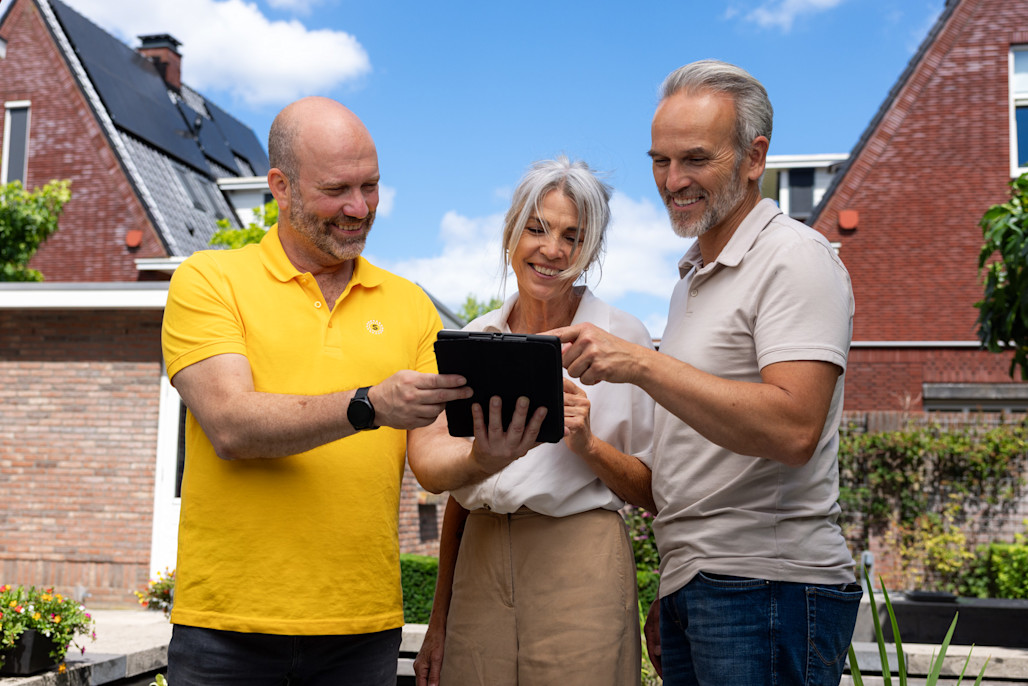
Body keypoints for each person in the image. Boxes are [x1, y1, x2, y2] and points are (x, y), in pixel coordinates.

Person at [161, 96, 544, 685]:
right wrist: (368, 404)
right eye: (337, 189)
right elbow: (230, 426)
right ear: (280, 187)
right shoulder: (210, 280)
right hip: (227, 630)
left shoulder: (409, 305)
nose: (359, 208)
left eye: (371, 186)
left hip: (361, 631)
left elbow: (430, 464)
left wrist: (482, 458)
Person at [554, 60, 862, 686]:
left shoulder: (795, 258)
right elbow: (687, 471)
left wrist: (641, 362)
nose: (673, 181)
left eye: (695, 159)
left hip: (768, 585)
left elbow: (794, 429)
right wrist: (676, 585)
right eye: (660, 161)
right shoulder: (691, 281)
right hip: (704, 583)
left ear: (755, 157)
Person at [408, 156, 657, 686]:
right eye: (537, 229)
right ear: (510, 234)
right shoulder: (475, 337)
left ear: (591, 251)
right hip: (479, 560)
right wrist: (438, 620)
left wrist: (589, 446)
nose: (553, 249)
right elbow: (455, 493)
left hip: (579, 561)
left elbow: (656, 492)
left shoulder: (624, 338)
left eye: (573, 237)